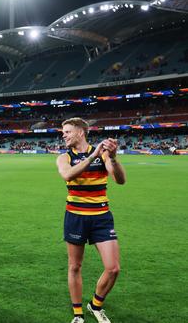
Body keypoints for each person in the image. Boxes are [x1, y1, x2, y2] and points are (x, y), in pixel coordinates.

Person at [56, 118, 125, 323]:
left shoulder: (102, 154)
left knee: (113, 268)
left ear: (81, 132)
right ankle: (78, 315)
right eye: (63, 132)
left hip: (101, 217)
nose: (64, 135)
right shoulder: (63, 157)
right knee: (75, 266)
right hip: (75, 217)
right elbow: (67, 175)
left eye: (67, 131)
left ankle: (95, 305)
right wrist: (92, 157)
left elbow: (120, 180)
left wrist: (112, 158)